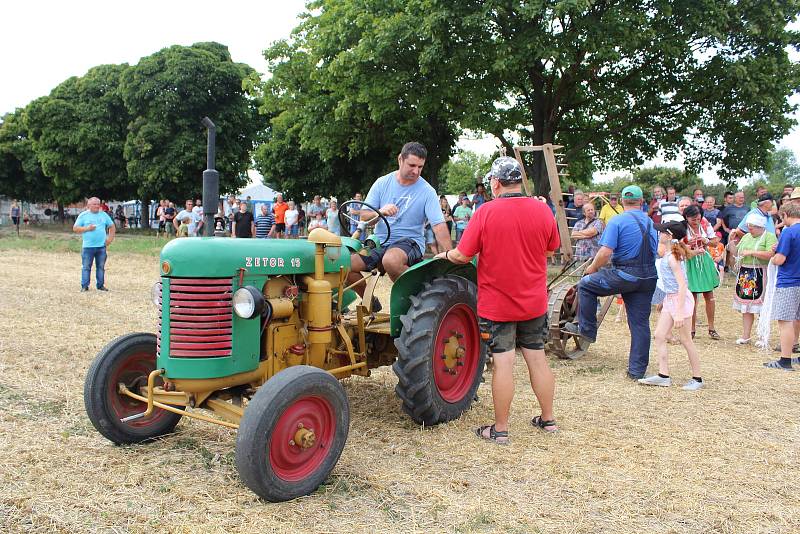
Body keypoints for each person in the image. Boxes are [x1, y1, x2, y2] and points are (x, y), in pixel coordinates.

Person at [435, 156, 560, 443]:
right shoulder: (542, 211)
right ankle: (549, 420)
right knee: (537, 358)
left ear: (495, 183)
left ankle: (500, 429)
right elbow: (550, 250)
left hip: (498, 304)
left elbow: (463, 255)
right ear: (519, 182)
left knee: (504, 363)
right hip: (533, 301)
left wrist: (443, 255)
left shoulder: (485, 212)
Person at [564, 185, 659, 380]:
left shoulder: (617, 221)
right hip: (648, 277)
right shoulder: (650, 223)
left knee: (586, 285)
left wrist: (593, 268)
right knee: (640, 324)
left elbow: (605, 252)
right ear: (641, 202)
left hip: (625, 275)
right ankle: (636, 371)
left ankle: (587, 330)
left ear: (623, 201)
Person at [346, 142, 450, 307]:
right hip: (380, 240)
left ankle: (418, 302)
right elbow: (364, 216)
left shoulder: (427, 191)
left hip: (410, 242)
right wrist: (380, 211)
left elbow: (438, 225)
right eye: (412, 165)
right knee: (344, 265)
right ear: (400, 160)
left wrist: (449, 255)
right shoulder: (382, 183)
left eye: (420, 167)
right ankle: (369, 301)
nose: (416, 171)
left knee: (391, 261)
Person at [638, 220, 704, 390]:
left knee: (686, 340)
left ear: (669, 236)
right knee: (660, 335)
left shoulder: (673, 258)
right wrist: (664, 301)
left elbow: (682, 285)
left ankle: (697, 379)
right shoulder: (668, 256)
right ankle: (663, 375)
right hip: (670, 299)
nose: (659, 234)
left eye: (662, 232)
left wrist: (680, 312)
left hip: (680, 301)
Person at [764, 202, 800, 370]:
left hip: (789, 281)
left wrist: (773, 256)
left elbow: (780, 260)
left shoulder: (788, 232)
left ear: (786, 215)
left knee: (785, 321)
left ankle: (785, 360)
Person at [733, 214, 776, 345]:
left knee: (761, 306)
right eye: (748, 227)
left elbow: (771, 254)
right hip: (745, 273)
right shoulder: (746, 236)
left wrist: (752, 252)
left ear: (760, 227)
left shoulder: (769, 237)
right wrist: (732, 242)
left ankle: (762, 336)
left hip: (760, 272)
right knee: (746, 307)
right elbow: (737, 252)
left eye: (751, 227)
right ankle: (746, 336)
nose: (749, 229)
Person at [683, 205, 721, 339]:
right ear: (686, 218)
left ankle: (711, 328)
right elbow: (678, 245)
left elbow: (715, 242)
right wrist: (688, 244)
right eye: (692, 219)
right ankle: (691, 329)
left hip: (704, 260)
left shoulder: (705, 225)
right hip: (690, 261)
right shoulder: (682, 228)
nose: (696, 221)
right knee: (691, 295)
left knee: (708, 294)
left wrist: (705, 240)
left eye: (698, 218)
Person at [73, 197, 116, 292]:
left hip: (101, 247)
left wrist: (109, 239)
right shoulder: (83, 215)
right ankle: (84, 286)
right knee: (86, 267)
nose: (97, 206)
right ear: (89, 206)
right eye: (94, 204)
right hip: (88, 247)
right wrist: (87, 228)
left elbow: (112, 226)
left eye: (98, 204)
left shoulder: (104, 215)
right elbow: (75, 228)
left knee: (100, 267)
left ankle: (100, 285)